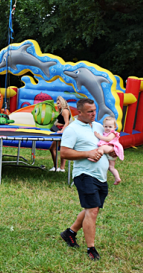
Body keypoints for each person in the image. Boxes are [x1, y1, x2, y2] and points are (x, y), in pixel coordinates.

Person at [59, 98, 115, 260]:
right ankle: (91, 249)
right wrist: (87, 153)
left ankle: (69, 233)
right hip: (84, 175)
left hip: (101, 176)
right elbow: (64, 153)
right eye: (90, 111)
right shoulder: (72, 129)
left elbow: (110, 144)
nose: (93, 114)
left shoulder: (98, 126)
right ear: (79, 112)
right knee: (93, 210)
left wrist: (111, 152)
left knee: (92, 207)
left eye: (94, 110)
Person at [94, 116, 124, 184]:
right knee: (110, 167)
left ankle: (97, 156)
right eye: (106, 126)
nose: (107, 128)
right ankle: (117, 178)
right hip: (109, 150)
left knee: (101, 148)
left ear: (114, 127)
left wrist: (99, 136)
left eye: (110, 127)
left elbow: (108, 139)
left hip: (111, 148)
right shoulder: (105, 133)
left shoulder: (113, 133)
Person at [50, 96, 72, 172]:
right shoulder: (63, 111)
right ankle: (61, 168)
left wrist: (61, 131)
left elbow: (67, 123)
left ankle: (56, 167)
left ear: (62, 102)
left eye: (58, 103)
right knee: (62, 149)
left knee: (52, 148)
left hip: (63, 132)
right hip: (61, 131)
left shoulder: (65, 111)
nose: (57, 105)